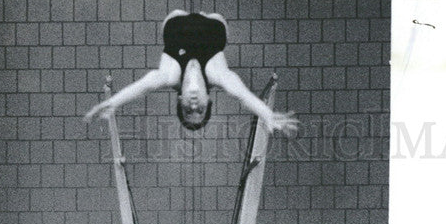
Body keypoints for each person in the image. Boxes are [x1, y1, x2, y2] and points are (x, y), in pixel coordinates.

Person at [83, 9, 298, 135]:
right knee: (216, 21)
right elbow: (241, 94)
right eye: (200, 110)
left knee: (176, 16)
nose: (194, 105)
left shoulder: (170, 75)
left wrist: (111, 103)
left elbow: (144, 86)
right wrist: (267, 115)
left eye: (188, 110)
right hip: (214, 25)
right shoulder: (216, 73)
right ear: (208, 100)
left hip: (176, 23)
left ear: (179, 100)